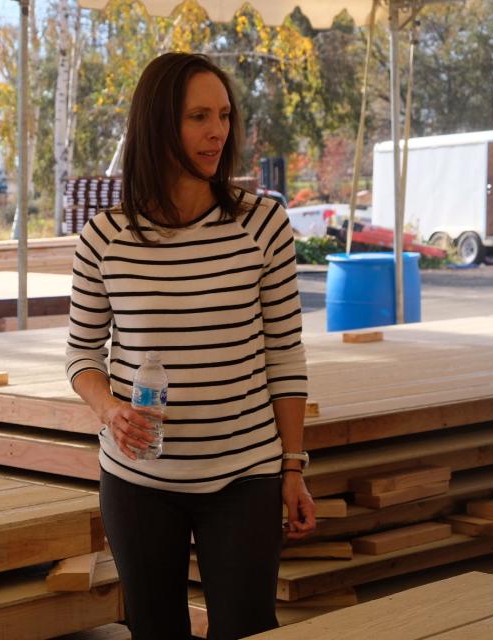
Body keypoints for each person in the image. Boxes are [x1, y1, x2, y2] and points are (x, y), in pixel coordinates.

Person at [65, 52, 315, 640]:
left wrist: (293, 466)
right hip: (137, 483)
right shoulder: (105, 238)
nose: (217, 131)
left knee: (249, 629)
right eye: (197, 116)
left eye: (224, 115)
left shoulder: (263, 225)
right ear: (157, 125)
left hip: (245, 476)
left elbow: (285, 355)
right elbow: (80, 356)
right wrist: (109, 411)